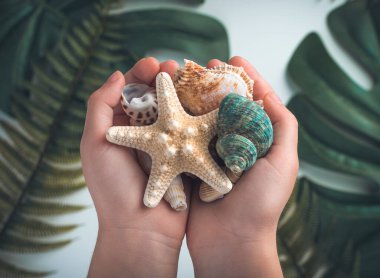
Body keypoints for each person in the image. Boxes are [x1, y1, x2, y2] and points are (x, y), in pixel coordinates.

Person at [80, 56, 299, 277]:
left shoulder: (201, 126)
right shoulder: (199, 124)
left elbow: (211, 120)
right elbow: (209, 119)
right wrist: (240, 242)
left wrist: (131, 232)